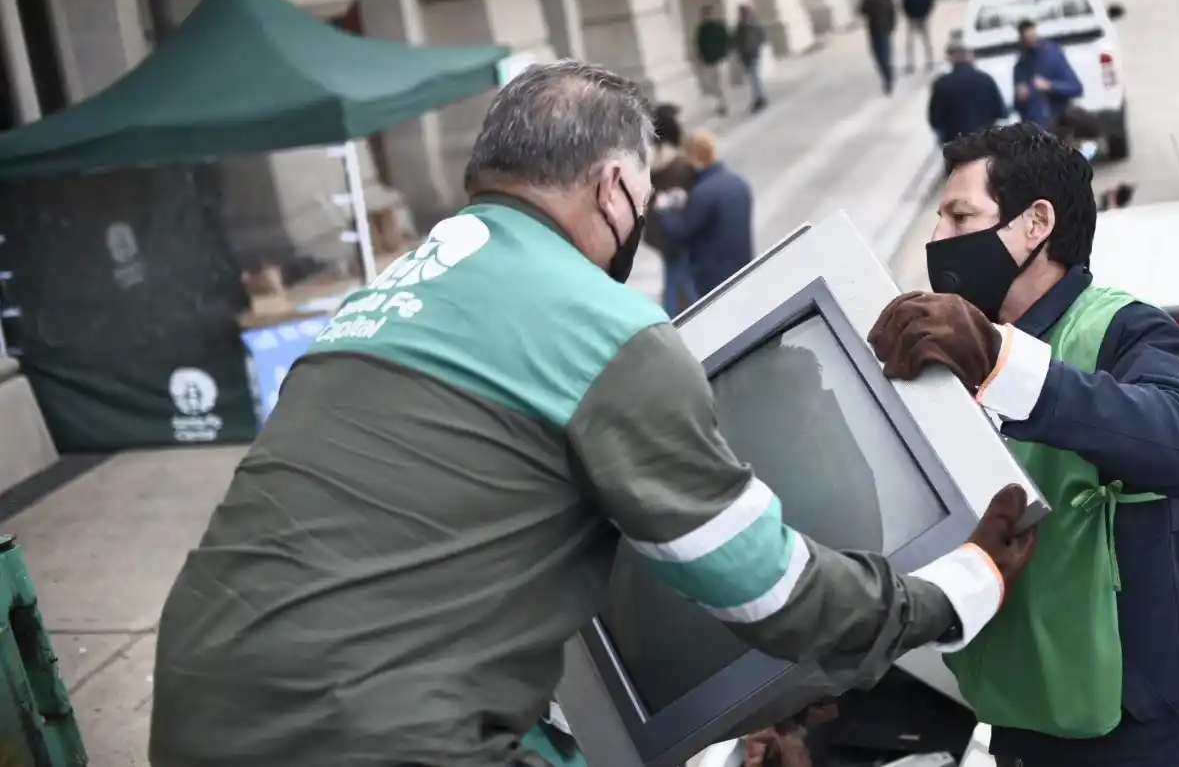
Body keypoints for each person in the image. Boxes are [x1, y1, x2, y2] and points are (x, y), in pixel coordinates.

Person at [148, 60, 1039, 767]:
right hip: (377, 737)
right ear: (614, 186)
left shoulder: (379, 302)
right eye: (643, 201)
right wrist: (952, 593)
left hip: (198, 709)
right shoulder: (603, 331)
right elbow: (773, 595)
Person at [867, 123, 1179, 767]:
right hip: (1017, 716)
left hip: (1129, 734)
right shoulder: (953, 356)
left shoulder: (1123, 330)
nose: (937, 239)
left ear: (1036, 224)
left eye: (960, 215)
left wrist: (1004, 366)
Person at [654, 130, 755, 298]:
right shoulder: (739, 183)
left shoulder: (703, 193)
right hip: (743, 266)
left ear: (694, 158)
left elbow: (680, 231)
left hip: (713, 277)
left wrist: (663, 209)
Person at [644, 103, 699, 315]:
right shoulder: (677, 164)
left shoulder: (650, 162)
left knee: (674, 272)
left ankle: (676, 310)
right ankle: (679, 313)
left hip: (658, 230)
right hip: (675, 229)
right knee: (680, 274)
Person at [929, 38, 1006, 149]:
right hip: (984, 144)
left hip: (957, 147)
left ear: (951, 58)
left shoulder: (942, 84)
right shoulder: (986, 80)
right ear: (970, 56)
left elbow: (935, 120)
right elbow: (1001, 112)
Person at [1012, 20, 1083, 129]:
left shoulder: (1053, 57)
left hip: (1059, 124)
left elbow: (1076, 88)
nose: (1030, 41)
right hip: (1035, 131)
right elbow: (1018, 106)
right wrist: (1020, 98)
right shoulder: (1020, 66)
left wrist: (1049, 86)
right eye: (1026, 38)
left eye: (1032, 37)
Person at [858, 0, 899, 95]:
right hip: (873, 31)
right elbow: (862, 12)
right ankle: (887, 77)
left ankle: (889, 80)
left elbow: (892, 13)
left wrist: (891, 27)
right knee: (878, 57)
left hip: (883, 31)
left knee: (885, 56)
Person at [693, 5, 731, 116]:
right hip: (708, 61)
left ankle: (724, 104)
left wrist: (724, 54)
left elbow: (726, 40)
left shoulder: (719, 26)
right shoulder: (702, 29)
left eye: (707, 14)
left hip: (720, 59)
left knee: (721, 83)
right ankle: (720, 102)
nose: (706, 16)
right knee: (713, 84)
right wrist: (701, 57)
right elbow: (699, 44)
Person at [900, 0, 938, 75]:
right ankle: (911, 63)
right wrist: (908, 15)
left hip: (923, 17)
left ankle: (930, 61)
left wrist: (926, 13)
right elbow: (903, 4)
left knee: (926, 41)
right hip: (912, 19)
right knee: (910, 43)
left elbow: (931, 0)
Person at [733, 4, 769, 114]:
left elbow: (761, 36)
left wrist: (756, 46)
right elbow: (737, 40)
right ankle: (760, 97)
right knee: (754, 77)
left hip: (753, 53)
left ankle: (758, 99)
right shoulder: (741, 26)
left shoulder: (752, 25)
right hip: (746, 55)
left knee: (754, 77)